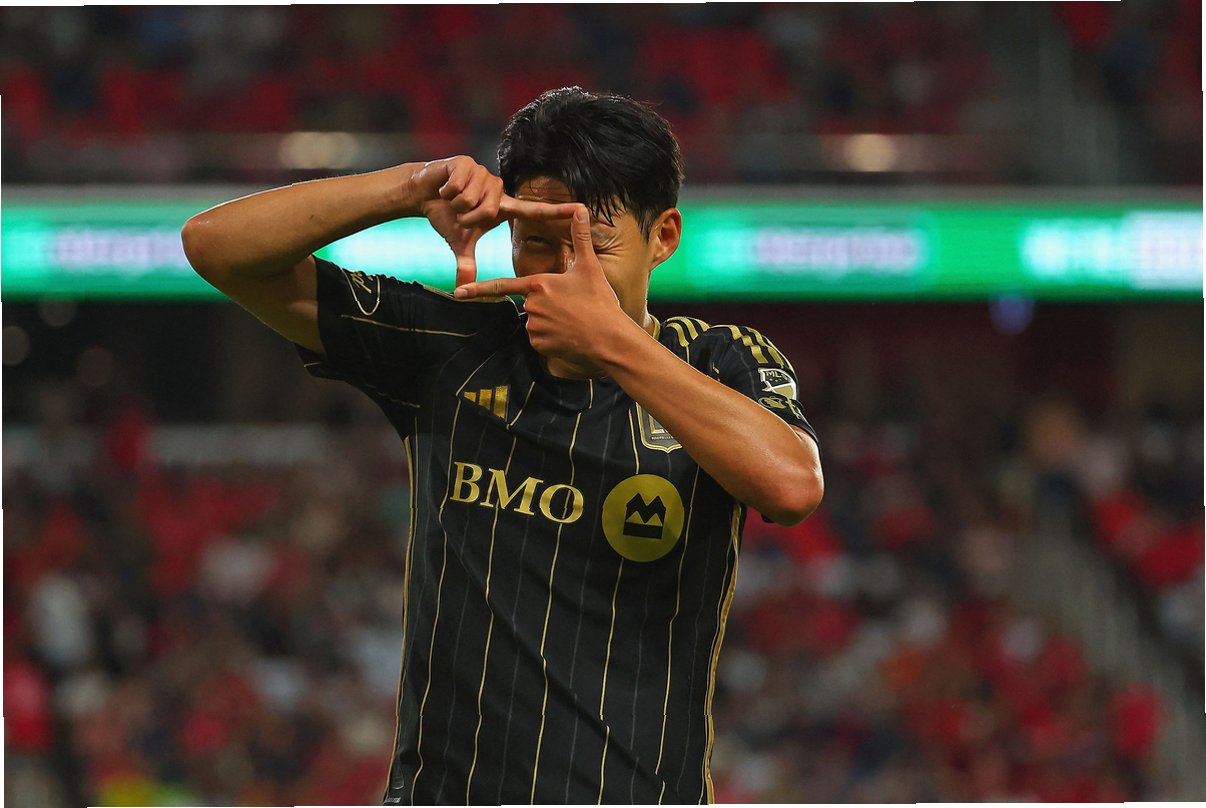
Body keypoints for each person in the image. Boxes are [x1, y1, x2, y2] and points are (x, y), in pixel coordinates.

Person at [182, 87, 823, 806]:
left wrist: (612, 344)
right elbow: (214, 247)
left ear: (663, 236)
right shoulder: (454, 348)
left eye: (593, 243)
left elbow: (791, 485)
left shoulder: (719, 360)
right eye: (537, 238)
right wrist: (409, 187)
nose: (562, 271)